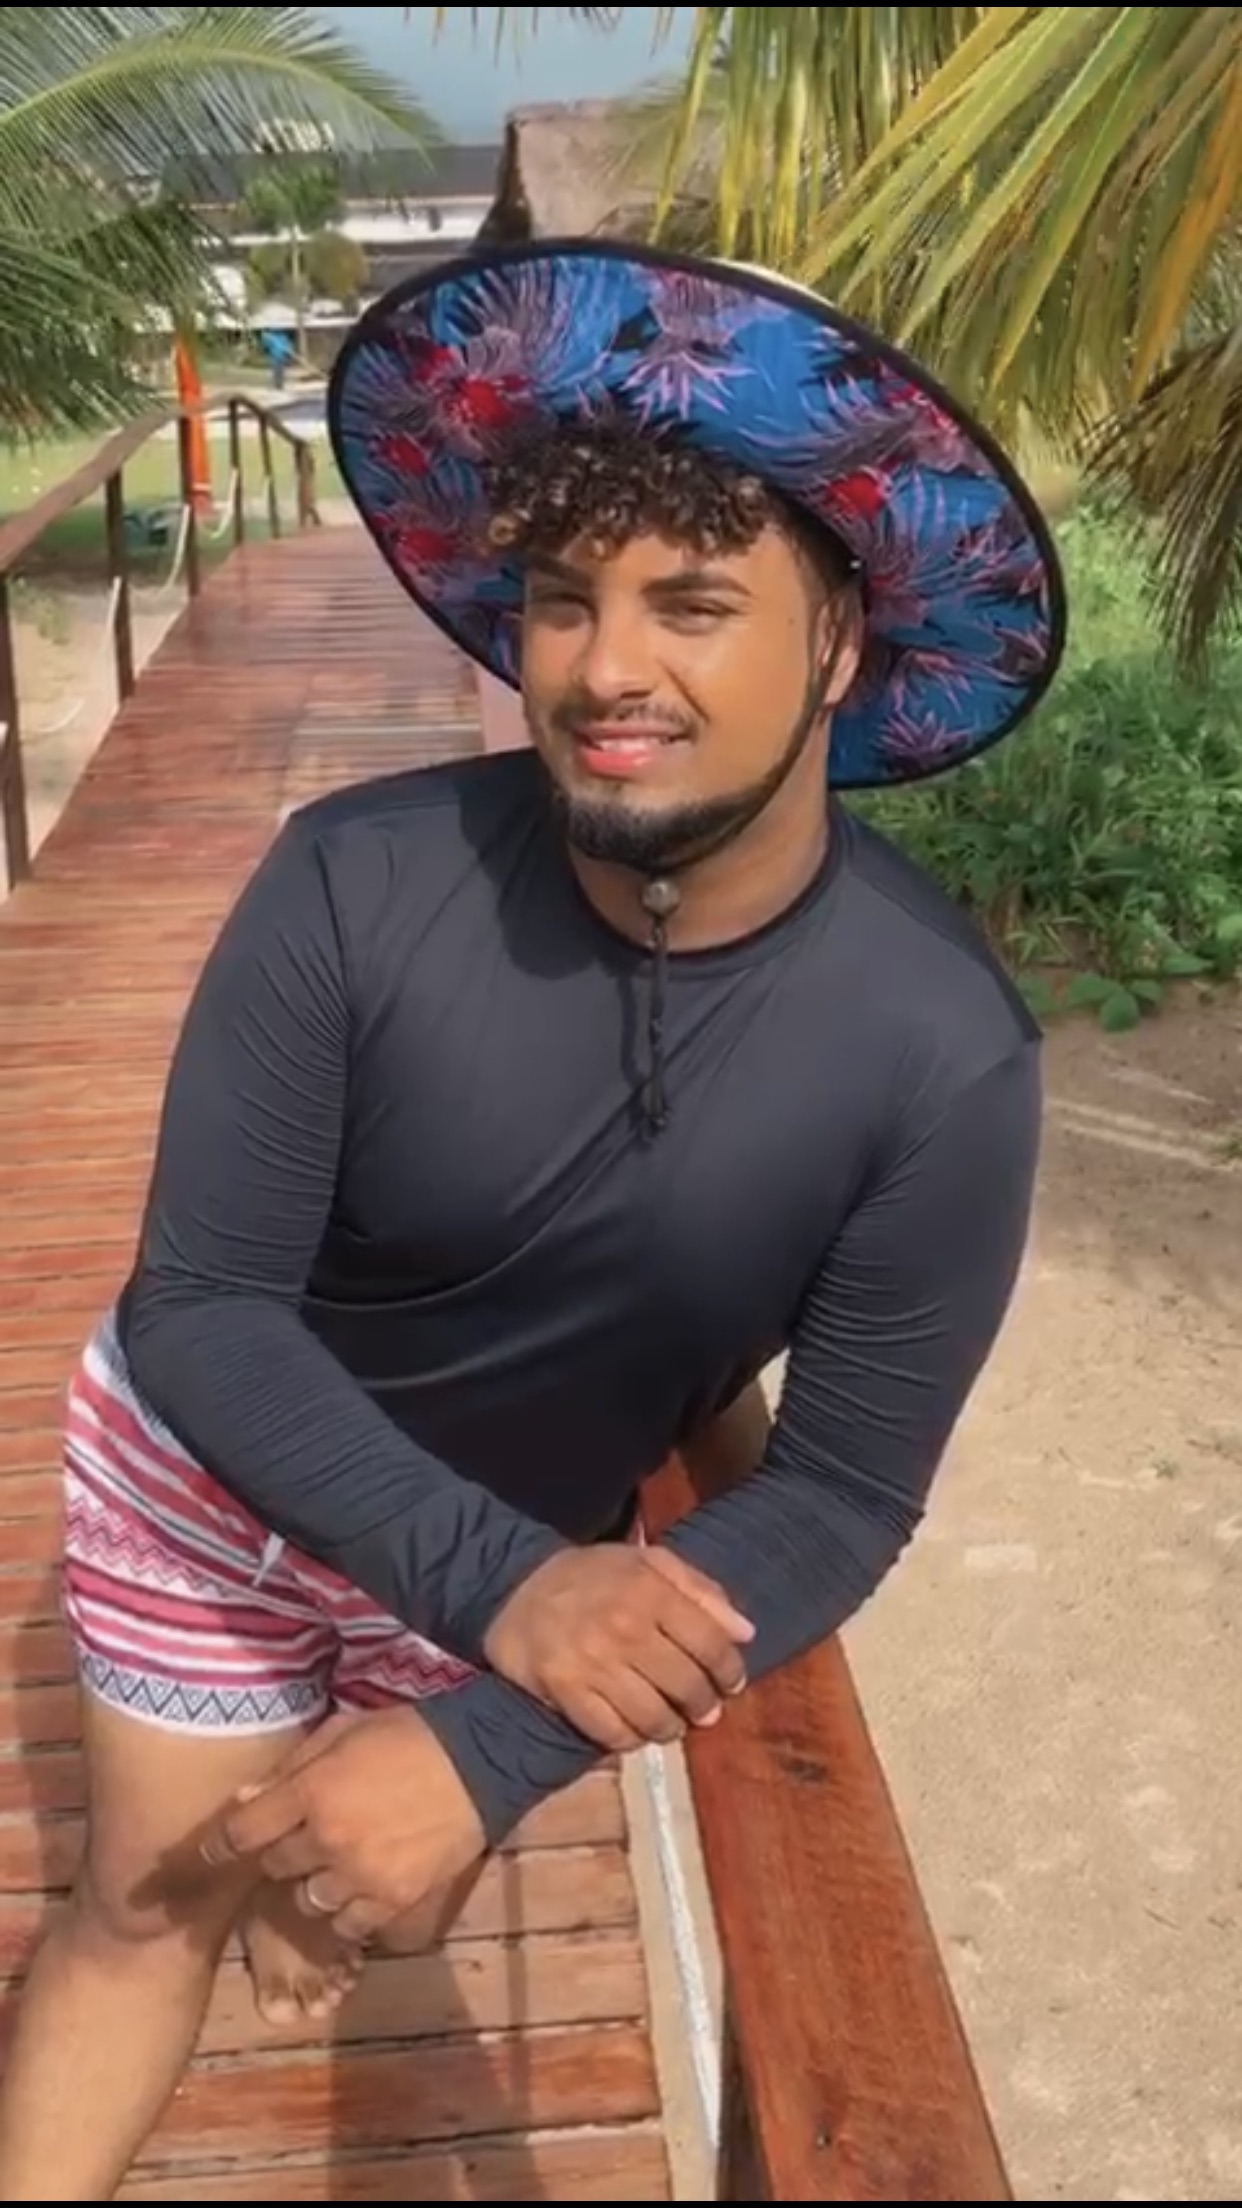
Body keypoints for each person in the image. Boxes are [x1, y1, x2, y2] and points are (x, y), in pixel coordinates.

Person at [0, 238, 1064, 2200]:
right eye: (564, 600)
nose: (604, 670)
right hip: (214, 1482)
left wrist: (482, 1748)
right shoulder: (352, 882)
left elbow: (839, 1493)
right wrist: (510, 1597)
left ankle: (320, 1846)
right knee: (147, 1905)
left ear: (840, 643)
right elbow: (206, 1305)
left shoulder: (941, 1055)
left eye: (693, 604)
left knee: (364, 1874)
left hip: (500, 1554)